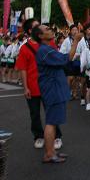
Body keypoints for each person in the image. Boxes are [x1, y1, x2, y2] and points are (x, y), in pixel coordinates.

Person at [34, 25, 81, 163]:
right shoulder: (45, 50)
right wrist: (76, 41)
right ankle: (49, 154)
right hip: (53, 90)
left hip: (53, 88)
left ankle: (52, 151)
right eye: (46, 29)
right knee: (51, 122)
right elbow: (68, 58)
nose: (50, 30)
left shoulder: (47, 49)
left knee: (53, 122)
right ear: (40, 36)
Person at [16, 19, 62, 150]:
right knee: (34, 114)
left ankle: (57, 136)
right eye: (37, 26)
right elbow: (23, 69)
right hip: (33, 87)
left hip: (49, 85)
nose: (42, 27)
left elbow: (56, 61)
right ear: (31, 31)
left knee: (52, 112)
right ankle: (38, 136)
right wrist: (25, 88)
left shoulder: (50, 43)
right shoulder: (24, 48)